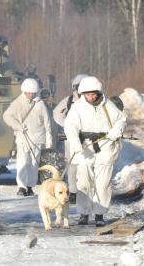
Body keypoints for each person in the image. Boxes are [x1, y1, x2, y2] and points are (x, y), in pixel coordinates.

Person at [65, 76, 126, 226]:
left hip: (105, 145)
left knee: (102, 182)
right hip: (85, 146)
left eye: (93, 94)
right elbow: (70, 126)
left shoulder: (108, 105)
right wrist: (75, 142)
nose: (91, 97)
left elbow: (121, 119)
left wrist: (116, 131)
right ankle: (84, 213)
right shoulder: (77, 107)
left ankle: (99, 214)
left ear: (98, 92)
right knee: (84, 182)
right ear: (82, 93)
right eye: (87, 94)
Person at [3, 78, 53, 196]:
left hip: (37, 138)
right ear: (24, 91)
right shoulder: (17, 103)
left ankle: (30, 186)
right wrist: (18, 126)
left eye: (33, 93)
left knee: (34, 164)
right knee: (22, 161)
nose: (31, 95)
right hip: (23, 137)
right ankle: (21, 187)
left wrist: (49, 140)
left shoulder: (40, 103)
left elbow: (47, 122)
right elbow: (7, 116)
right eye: (29, 92)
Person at [53, 74, 87, 204]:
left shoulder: (92, 100)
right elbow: (57, 113)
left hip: (88, 139)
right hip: (71, 138)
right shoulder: (69, 100)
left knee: (86, 165)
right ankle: (73, 192)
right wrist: (66, 126)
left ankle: (86, 191)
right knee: (72, 166)